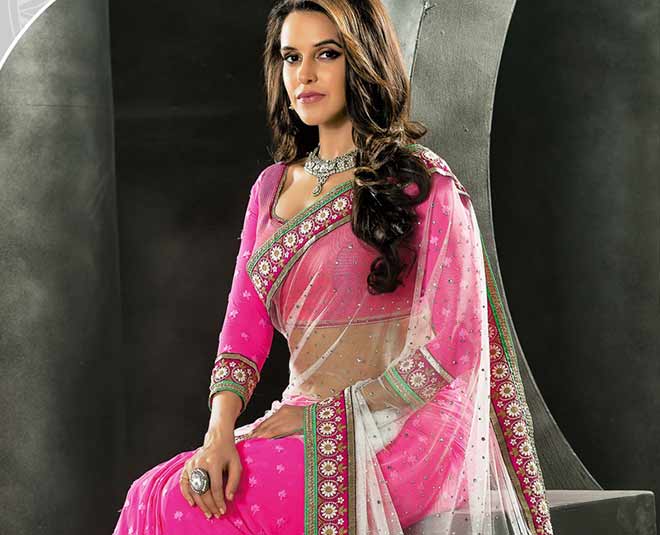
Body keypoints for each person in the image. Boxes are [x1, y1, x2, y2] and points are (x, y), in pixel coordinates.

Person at [113, 1, 555, 534]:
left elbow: (454, 346)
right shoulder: (270, 189)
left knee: (191, 507)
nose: (304, 74)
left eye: (326, 54)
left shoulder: (421, 185)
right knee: (151, 492)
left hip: (411, 429)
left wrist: (331, 415)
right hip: (302, 416)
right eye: (291, 57)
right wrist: (219, 433)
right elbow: (241, 334)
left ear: (362, 58)